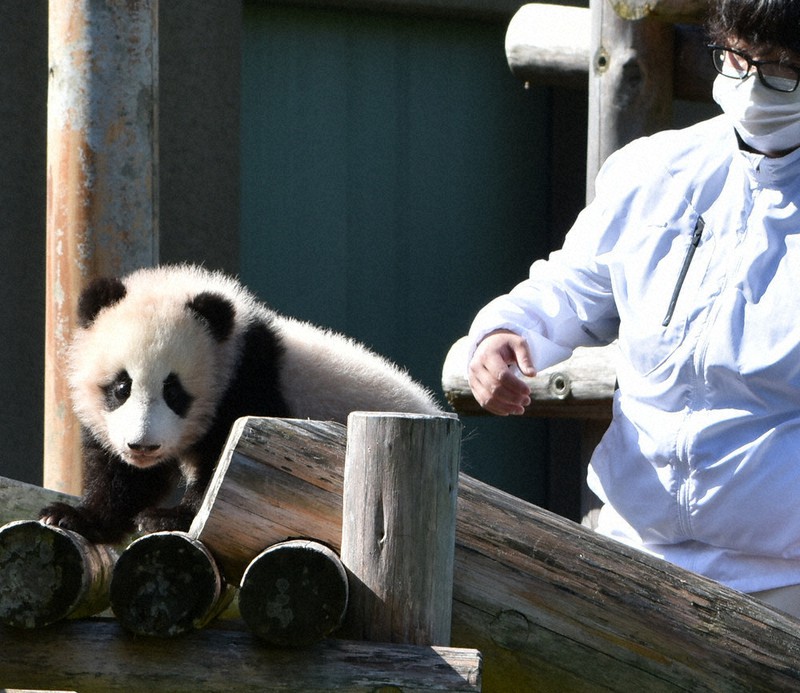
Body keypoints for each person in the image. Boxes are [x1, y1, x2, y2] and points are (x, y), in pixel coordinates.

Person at [467, 0, 800, 617]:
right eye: (736, 58)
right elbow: (567, 290)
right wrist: (506, 332)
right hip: (630, 557)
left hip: (785, 587)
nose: (752, 86)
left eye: (781, 68)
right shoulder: (656, 171)